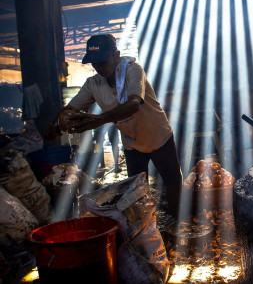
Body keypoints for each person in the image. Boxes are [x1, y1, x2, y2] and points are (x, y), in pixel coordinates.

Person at [43, 34, 182, 218]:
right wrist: (55, 124)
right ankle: (144, 224)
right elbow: (71, 109)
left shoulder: (133, 70)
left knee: (172, 181)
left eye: (102, 61)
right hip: (132, 143)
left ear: (116, 56)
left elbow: (133, 104)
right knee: (136, 189)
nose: (99, 67)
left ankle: (178, 219)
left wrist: (99, 120)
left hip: (158, 135)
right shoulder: (93, 83)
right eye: (94, 63)